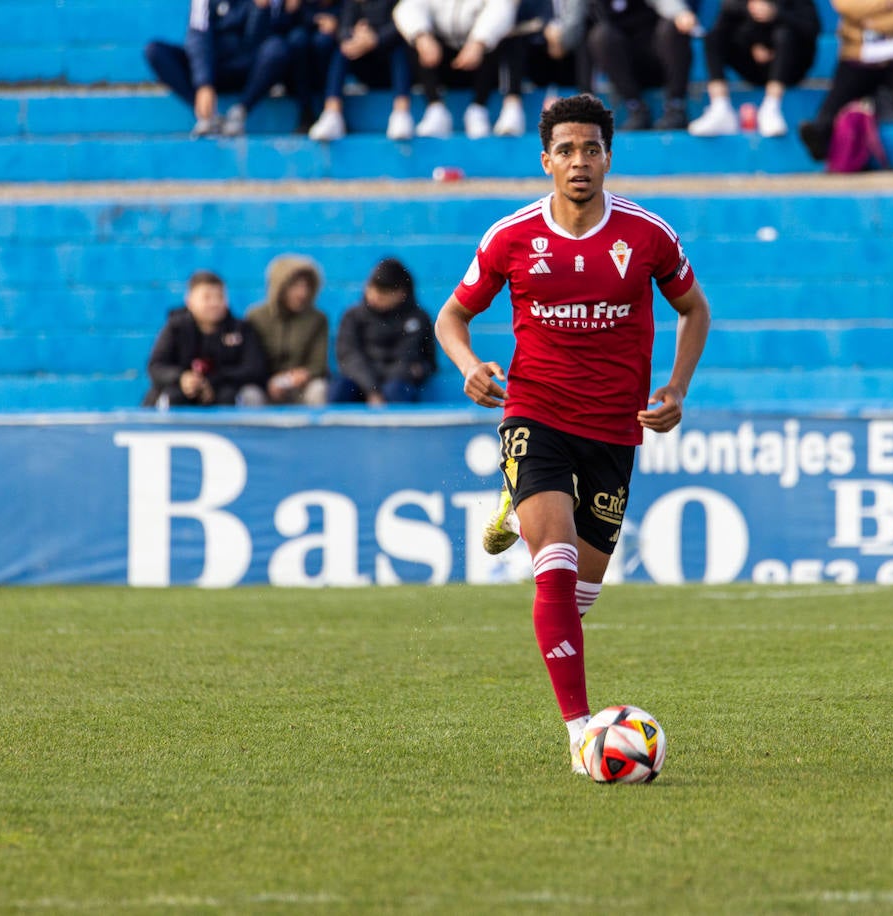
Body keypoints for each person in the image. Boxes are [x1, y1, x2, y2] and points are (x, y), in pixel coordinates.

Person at [433, 94, 711, 774]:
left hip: (614, 428)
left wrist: (675, 389)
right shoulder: (511, 237)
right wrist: (471, 369)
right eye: (566, 150)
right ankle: (580, 731)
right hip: (536, 412)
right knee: (551, 562)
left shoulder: (648, 236)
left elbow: (694, 310)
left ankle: (513, 507)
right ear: (546, 161)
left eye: (591, 149)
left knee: (579, 597)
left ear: (608, 157)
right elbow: (450, 318)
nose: (579, 161)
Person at [797, 0, 893, 161]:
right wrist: (888, 4)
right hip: (860, 56)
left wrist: (871, 21)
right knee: (842, 88)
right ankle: (820, 132)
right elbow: (845, 6)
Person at [143, 0, 300, 137]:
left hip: (249, 71)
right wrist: (204, 83)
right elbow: (198, 36)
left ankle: (240, 111)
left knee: (278, 49)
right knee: (156, 52)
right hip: (215, 69)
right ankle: (208, 115)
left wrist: (262, 10)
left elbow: (266, 40)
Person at [686, 0, 821, 137]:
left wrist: (776, 14)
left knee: (783, 35)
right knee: (713, 37)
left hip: (791, 69)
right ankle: (720, 106)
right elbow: (725, 21)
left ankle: (771, 107)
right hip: (752, 65)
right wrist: (754, 40)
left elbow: (811, 28)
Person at [391, 0, 524, 138]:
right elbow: (406, 8)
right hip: (443, 61)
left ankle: (479, 109)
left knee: (508, 36)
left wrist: (479, 42)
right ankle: (435, 107)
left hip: (482, 65)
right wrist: (422, 36)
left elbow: (502, 9)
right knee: (411, 37)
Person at [142, 270, 269, 407]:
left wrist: (211, 381)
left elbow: (255, 369)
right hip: (181, 392)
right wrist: (183, 378)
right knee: (171, 396)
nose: (215, 303)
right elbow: (156, 367)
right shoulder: (175, 328)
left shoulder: (241, 329)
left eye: (220, 297)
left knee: (243, 395)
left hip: (227, 392)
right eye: (207, 297)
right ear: (189, 301)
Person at [330, 257, 436, 404]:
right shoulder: (352, 317)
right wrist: (371, 389)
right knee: (340, 389)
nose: (374, 296)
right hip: (361, 383)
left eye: (382, 293)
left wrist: (382, 389)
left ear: (401, 294)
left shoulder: (418, 319)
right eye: (371, 289)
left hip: (399, 384)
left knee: (396, 390)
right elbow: (349, 357)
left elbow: (411, 360)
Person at [306, 0, 416, 140]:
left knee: (399, 49)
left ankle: (401, 112)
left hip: (392, 69)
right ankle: (332, 113)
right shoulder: (351, 4)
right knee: (343, 51)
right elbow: (344, 28)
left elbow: (402, 25)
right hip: (365, 66)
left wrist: (375, 39)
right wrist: (355, 38)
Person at [585, 0, 702, 131]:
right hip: (626, 70)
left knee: (674, 26)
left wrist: (681, 14)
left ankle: (676, 107)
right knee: (600, 37)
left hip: (660, 60)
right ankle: (635, 108)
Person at [245, 254, 331, 404]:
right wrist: (269, 381)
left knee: (319, 389)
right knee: (249, 394)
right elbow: (250, 361)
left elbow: (319, 364)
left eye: (306, 286)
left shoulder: (318, 319)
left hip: (301, 388)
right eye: (295, 286)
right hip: (265, 386)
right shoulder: (255, 317)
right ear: (280, 287)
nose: (302, 293)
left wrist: (304, 374)